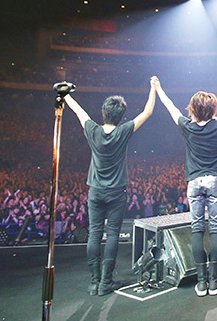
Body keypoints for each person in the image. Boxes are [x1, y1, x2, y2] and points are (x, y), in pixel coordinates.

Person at [153, 76, 217, 297]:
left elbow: (170, 106)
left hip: (195, 182)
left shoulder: (187, 126)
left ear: (193, 109)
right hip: (215, 181)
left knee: (197, 229)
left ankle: (201, 282)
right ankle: (214, 281)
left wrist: (158, 88)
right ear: (212, 109)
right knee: (215, 228)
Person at [63, 79, 157, 295]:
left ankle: (94, 282)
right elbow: (147, 112)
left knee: (94, 233)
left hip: (95, 190)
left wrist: (65, 94)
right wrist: (153, 87)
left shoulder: (93, 130)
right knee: (113, 233)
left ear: (104, 112)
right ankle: (106, 282)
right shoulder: (123, 131)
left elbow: (78, 111)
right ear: (121, 115)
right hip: (116, 191)